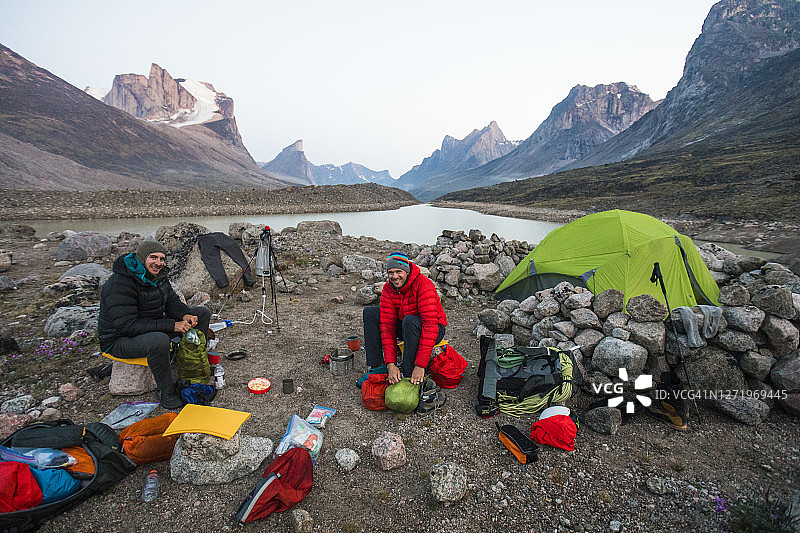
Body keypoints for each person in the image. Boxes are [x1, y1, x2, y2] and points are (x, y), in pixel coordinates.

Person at [98, 240, 210, 409]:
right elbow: (127, 325)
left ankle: (189, 362)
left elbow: (171, 301)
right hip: (119, 340)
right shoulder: (119, 283)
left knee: (201, 314)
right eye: (153, 257)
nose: (158, 263)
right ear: (142, 257)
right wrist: (172, 325)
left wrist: (185, 314)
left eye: (162, 259)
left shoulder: (159, 276)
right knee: (158, 341)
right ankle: (167, 393)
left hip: (150, 327)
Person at [363, 252, 447, 389]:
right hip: (406, 326)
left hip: (433, 328)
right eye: (390, 272)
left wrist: (420, 365)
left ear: (407, 272)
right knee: (371, 313)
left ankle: (409, 372)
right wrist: (391, 364)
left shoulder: (423, 285)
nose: (394, 276)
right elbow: (387, 327)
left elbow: (430, 327)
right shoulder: (388, 289)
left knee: (410, 321)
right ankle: (378, 367)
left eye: (398, 271)